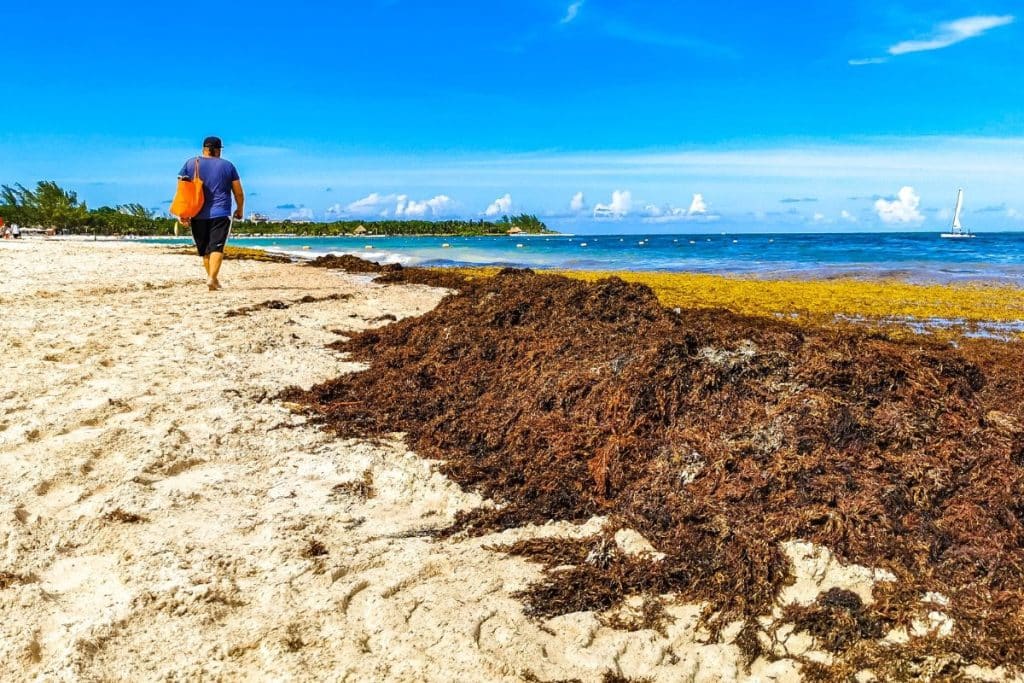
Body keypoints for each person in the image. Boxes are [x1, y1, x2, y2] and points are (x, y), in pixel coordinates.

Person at [178, 136, 244, 290]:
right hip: (221, 213)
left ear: (204, 149)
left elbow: (182, 191)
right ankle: (212, 278)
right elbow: (238, 192)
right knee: (216, 247)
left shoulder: (190, 163)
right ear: (217, 149)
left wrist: (183, 212)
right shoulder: (228, 166)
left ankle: (212, 279)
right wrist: (240, 208)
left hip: (197, 213)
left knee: (206, 249)